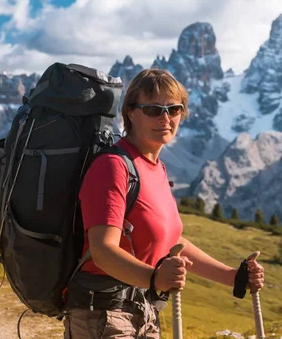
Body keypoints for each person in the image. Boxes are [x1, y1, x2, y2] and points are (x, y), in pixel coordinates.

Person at [63, 68, 265, 338]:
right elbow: (102, 251)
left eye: (174, 108)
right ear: (131, 112)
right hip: (102, 314)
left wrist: (232, 276)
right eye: (153, 110)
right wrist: (155, 279)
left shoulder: (157, 168)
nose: (165, 118)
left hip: (144, 309)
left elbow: (173, 242)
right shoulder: (113, 166)